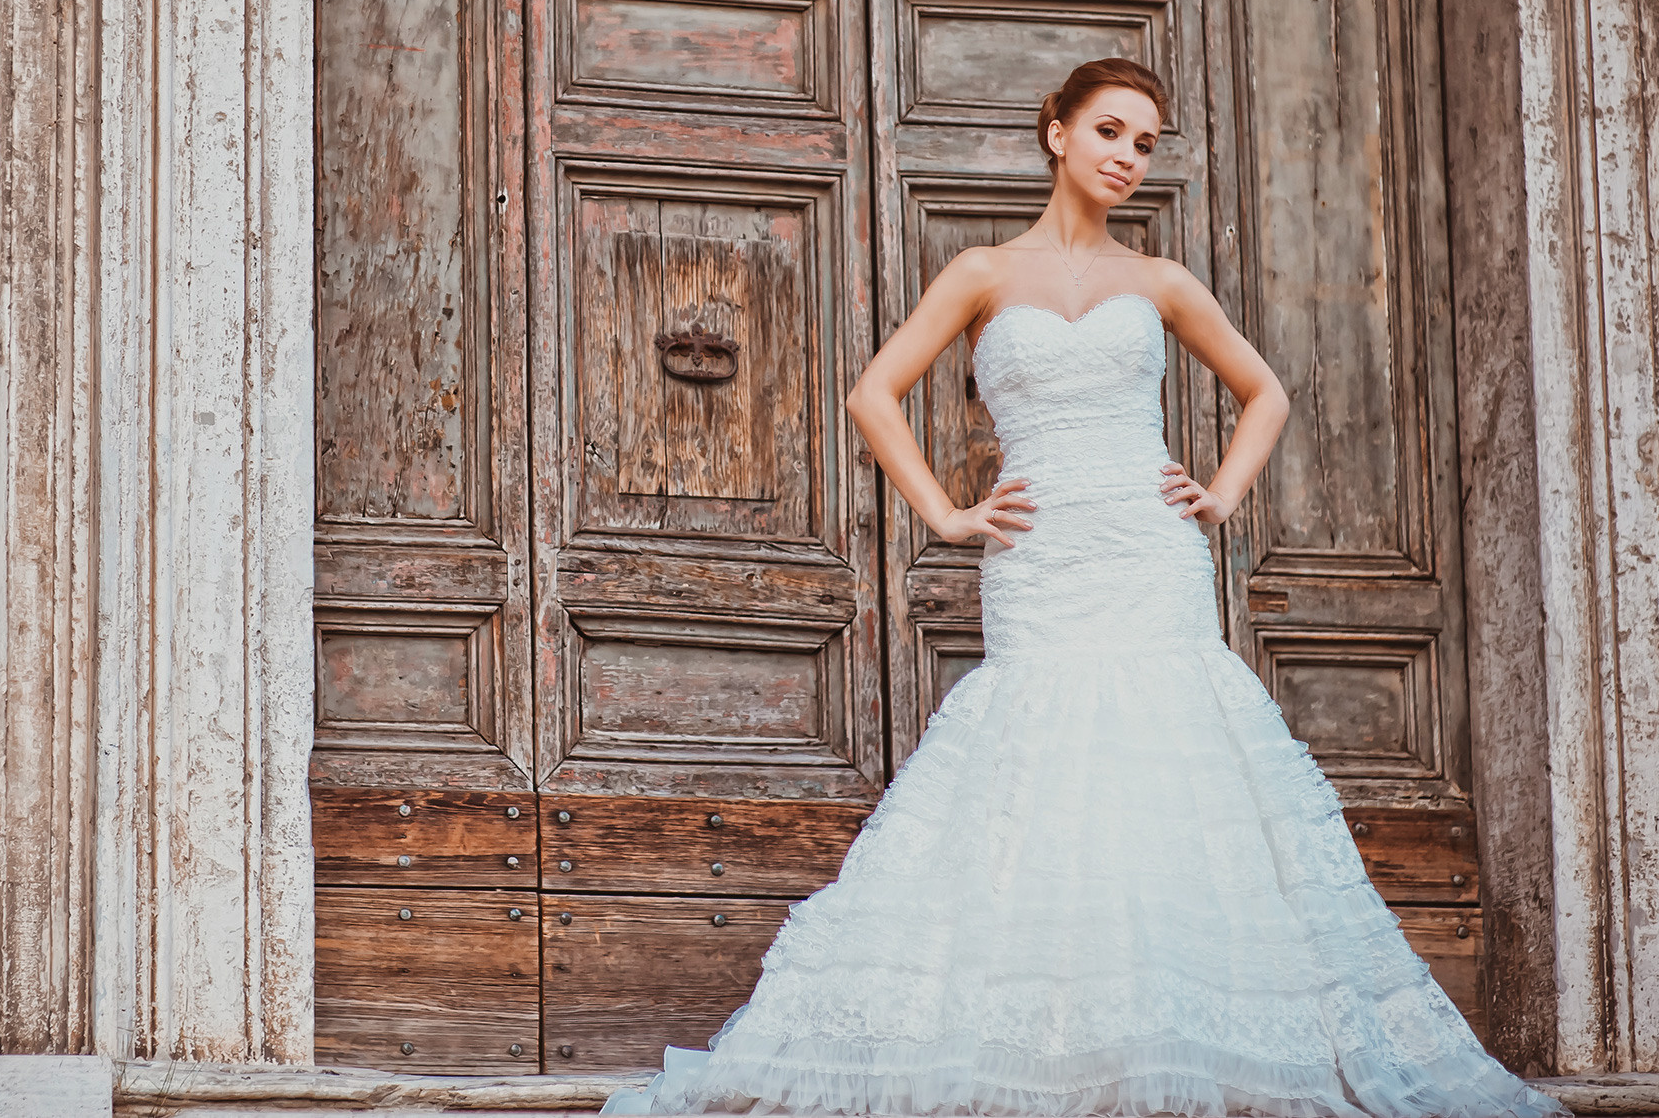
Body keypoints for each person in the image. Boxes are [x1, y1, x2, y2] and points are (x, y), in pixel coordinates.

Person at [602, 58, 1565, 1118]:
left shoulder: (1158, 281)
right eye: (1109, 131)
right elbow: (875, 391)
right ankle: (1053, 1052)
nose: (1126, 157)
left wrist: (1217, 496)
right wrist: (948, 513)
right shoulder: (980, 270)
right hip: (1042, 556)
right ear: (1056, 132)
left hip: (1148, 556)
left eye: (1145, 144)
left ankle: (1172, 1047)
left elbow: (1267, 392)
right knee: (1036, 770)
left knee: (1172, 772)